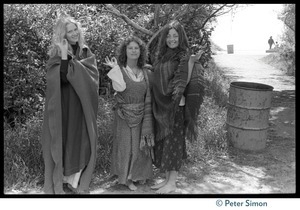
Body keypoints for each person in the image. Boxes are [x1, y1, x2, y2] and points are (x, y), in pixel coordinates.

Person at [41, 13, 99, 194]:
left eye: (75, 30)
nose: (74, 33)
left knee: (82, 141)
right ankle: (63, 180)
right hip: (64, 107)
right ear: (63, 35)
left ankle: (76, 182)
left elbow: (92, 80)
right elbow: (61, 79)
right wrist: (65, 55)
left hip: (81, 107)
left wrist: (76, 66)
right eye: (69, 31)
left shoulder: (86, 53)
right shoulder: (56, 54)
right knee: (63, 139)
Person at [149, 20, 203, 194]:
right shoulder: (162, 56)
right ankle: (166, 180)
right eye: (169, 36)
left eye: (175, 36)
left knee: (174, 143)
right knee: (165, 143)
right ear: (165, 38)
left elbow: (183, 81)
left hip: (175, 106)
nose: (172, 39)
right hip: (161, 105)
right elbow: (159, 78)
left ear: (181, 38)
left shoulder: (184, 56)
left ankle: (172, 182)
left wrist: (191, 63)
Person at [104, 36, 154, 191]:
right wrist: (114, 70)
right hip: (124, 114)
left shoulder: (146, 71)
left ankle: (140, 175)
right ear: (125, 51)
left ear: (141, 51)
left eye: (136, 48)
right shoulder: (119, 69)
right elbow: (119, 88)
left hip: (143, 113)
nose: (133, 50)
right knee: (127, 147)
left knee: (140, 147)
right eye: (130, 48)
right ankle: (127, 178)